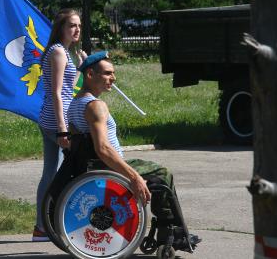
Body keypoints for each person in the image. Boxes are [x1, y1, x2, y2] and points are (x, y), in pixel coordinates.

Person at [66, 51, 201, 250]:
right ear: (90, 75)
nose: (113, 78)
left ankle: (170, 230)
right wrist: (134, 176)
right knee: (163, 174)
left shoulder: (75, 103)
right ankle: (170, 233)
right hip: (108, 167)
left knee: (154, 171)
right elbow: (103, 148)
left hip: (91, 166)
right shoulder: (96, 106)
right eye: (107, 73)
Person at [34, 8, 86, 241]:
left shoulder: (64, 52)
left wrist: (82, 67)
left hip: (54, 118)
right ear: (61, 28)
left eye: (78, 26)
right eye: (71, 25)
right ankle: (49, 224)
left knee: (53, 171)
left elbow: (68, 87)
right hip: (54, 120)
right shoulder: (57, 52)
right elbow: (56, 93)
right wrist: (63, 129)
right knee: (65, 170)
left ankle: (45, 225)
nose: (76, 30)